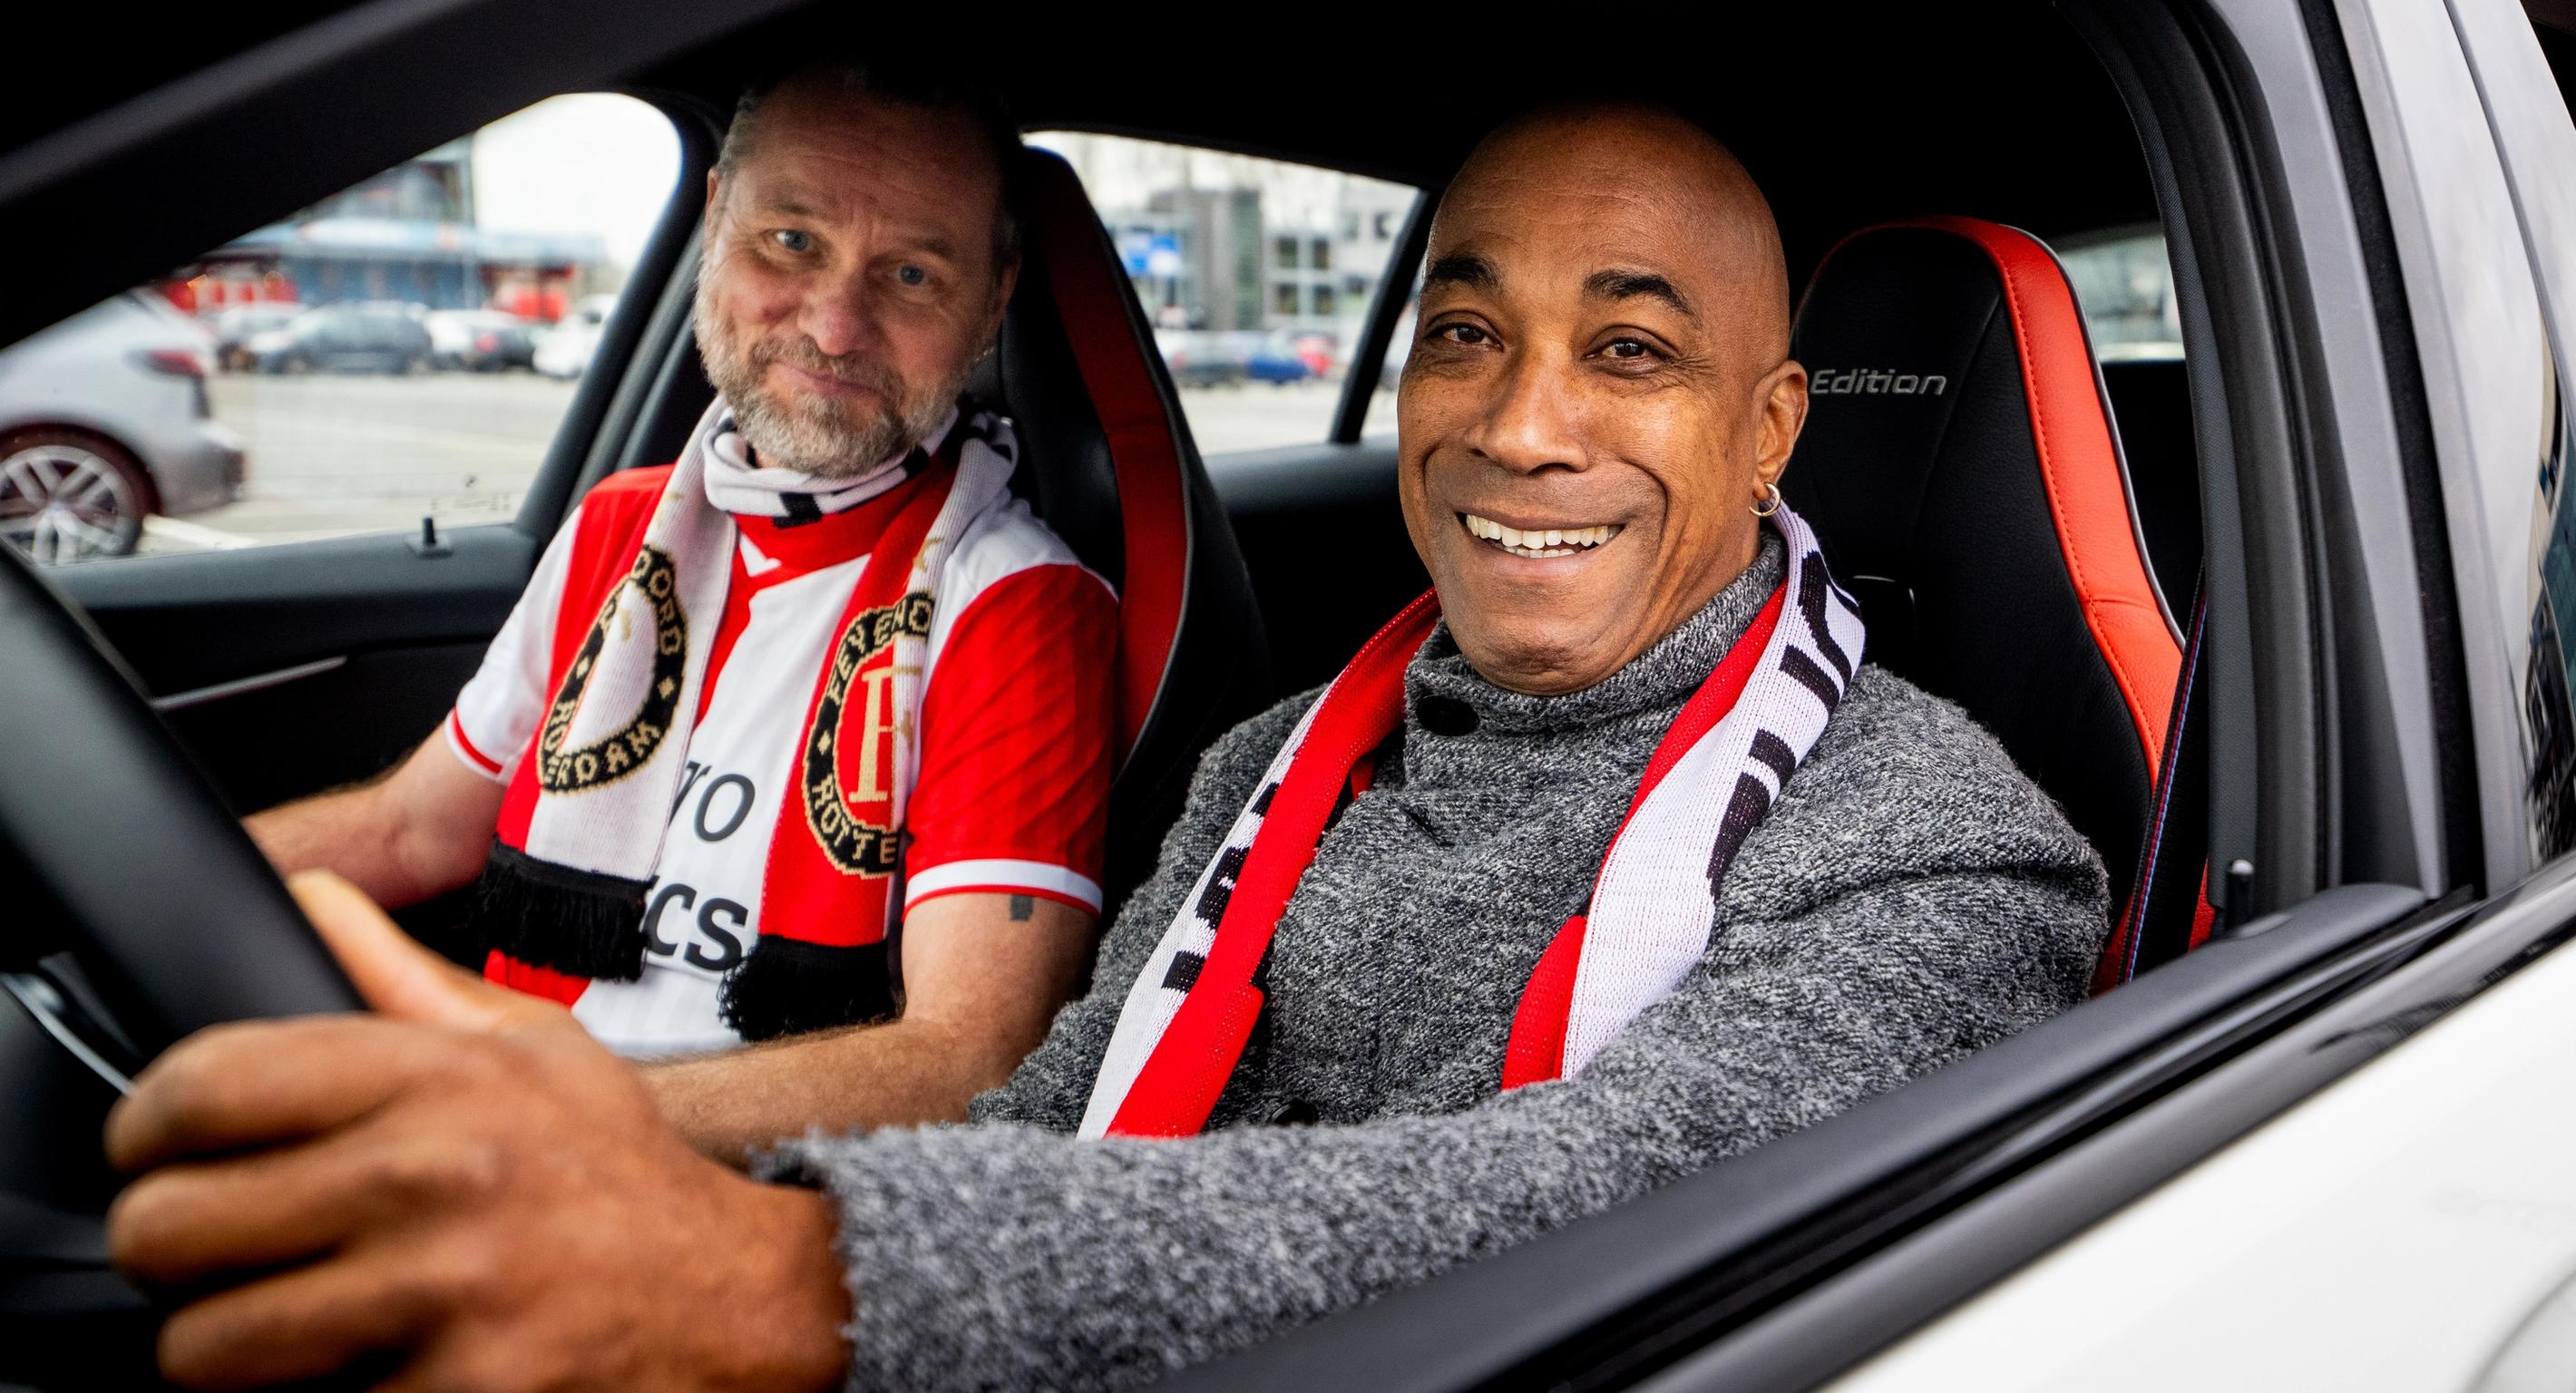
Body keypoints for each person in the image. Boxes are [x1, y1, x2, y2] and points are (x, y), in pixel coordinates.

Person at [109, 103, 2106, 1389]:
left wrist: (775, 1273)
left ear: (1770, 435)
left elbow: (1590, 1199)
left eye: (1636, 352)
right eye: (1468, 333)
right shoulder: (1270, 766)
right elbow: (1045, 1117)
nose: (1520, 426)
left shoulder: (1944, 849)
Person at [239, 59, 1120, 1161]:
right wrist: (145, 874)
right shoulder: (620, 527)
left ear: (991, 303)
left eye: (909, 274)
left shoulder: (1019, 605)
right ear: (717, 219)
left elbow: (968, 1056)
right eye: (792, 242)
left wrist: (522, 1122)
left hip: (709, 1196)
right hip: (496, 1110)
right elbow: (411, 827)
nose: (836, 327)